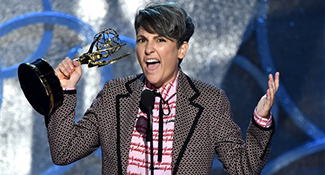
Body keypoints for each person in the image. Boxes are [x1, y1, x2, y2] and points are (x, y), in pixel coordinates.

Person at [47, 2, 280, 175]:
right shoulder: (115, 95)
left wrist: (261, 119)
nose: (149, 49)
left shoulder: (209, 102)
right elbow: (64, 151)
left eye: (160, 40)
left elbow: (243, 168)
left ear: (181, 50)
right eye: (142, 39)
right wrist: (64, 92)